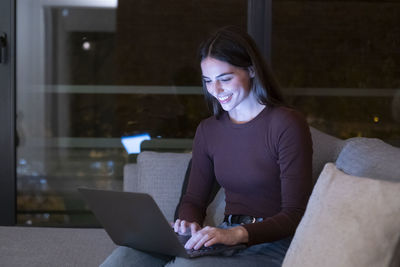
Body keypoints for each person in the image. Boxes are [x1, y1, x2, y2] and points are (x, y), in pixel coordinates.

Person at [100, 26, 313, 267]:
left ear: (251, 70)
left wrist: (236, 234)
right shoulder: (209, 130)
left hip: (272, 244)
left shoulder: (286, 123)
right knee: (125, 258)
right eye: (208, 81)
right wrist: (188, 223)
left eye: (225, 79)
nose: (215, 91)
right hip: (224, 234)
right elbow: (193, 199)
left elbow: (295, 214)